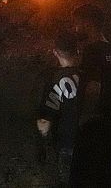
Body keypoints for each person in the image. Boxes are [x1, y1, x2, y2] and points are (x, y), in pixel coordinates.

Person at [71, 4, 111, 187]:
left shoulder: (92, 51)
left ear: (87, 23)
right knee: (107, 178)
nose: (75, 28)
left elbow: (93, 88)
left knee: (85, 178)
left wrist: (82, 120)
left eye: (77, 23)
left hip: (94, 126)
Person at [37, 31, 82, 187]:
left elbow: (45, 122)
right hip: (91, 141)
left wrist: (42, 144)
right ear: (77, 51)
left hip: (68, 144)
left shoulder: (56, 81)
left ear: (55, 52)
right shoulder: (88, 76)